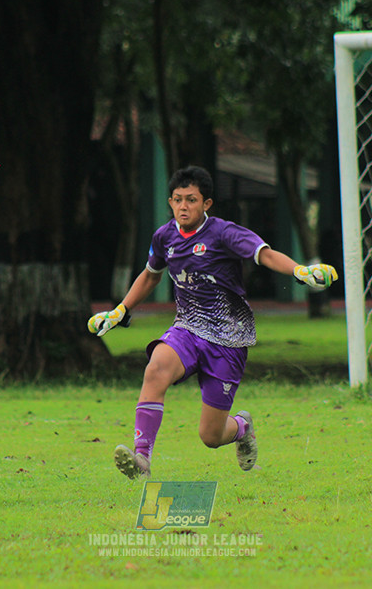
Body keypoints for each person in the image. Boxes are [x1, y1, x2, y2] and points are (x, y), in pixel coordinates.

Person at [88, 165, 338, 479]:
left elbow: (265, 254)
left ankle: (243, 428)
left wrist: (299, 271)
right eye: (177, 200)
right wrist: (119, 311)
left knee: (210, 436)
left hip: (228, 339)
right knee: (155, 368)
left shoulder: (224, 233)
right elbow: (151, 276)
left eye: (191, 200)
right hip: (187, 329)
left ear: (206, 204)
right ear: (170, 202)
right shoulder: (164, 236)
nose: (183, 206)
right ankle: (142, 461)